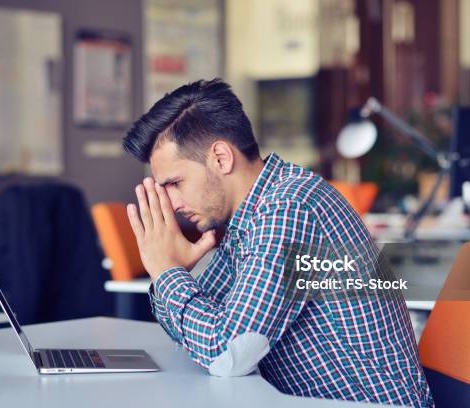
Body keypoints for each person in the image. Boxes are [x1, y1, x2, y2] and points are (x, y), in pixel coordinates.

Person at [122, 79, 433, 406]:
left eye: (175, 183)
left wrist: (168, 272)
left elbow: (225, 352)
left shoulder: (288, 209)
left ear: (221, 158)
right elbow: (201, 330)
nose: (171, 203)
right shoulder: (249, 217)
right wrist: (173, 274)